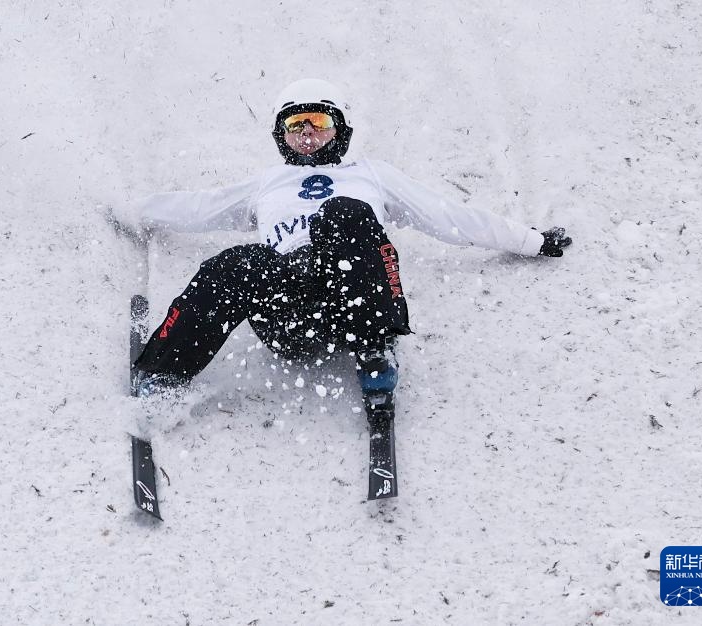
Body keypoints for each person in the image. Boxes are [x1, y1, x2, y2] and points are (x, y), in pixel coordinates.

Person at [123, 78, 571, 422]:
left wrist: (531, 241)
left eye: (319, 123)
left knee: (346, 212)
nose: (308, 135)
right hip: (291, 310)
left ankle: (376, 351)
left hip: (353, 298)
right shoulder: (266, 184)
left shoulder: (370, 175)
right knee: (239, 261)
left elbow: (447, 214)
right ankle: (163, 375)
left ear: (340, 130)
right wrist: (130, 210)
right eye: (295, 125)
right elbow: (199, 206)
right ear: (281, 136)